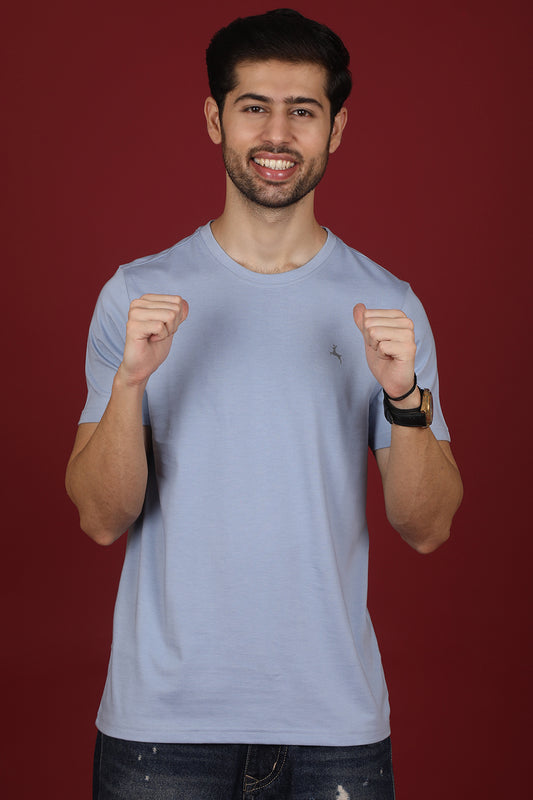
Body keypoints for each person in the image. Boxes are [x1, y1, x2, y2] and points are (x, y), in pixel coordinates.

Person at [66, 9, 463, 799]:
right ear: (216, 118)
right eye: (254, 107)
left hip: (333, 730)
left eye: (302, 111)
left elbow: (427, 527)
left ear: (336, 129)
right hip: (162, 730)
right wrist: (130, 385)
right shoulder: (136, 294)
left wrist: (402, 398)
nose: (276, 135)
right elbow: (101, 517)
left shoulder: (387, 305)